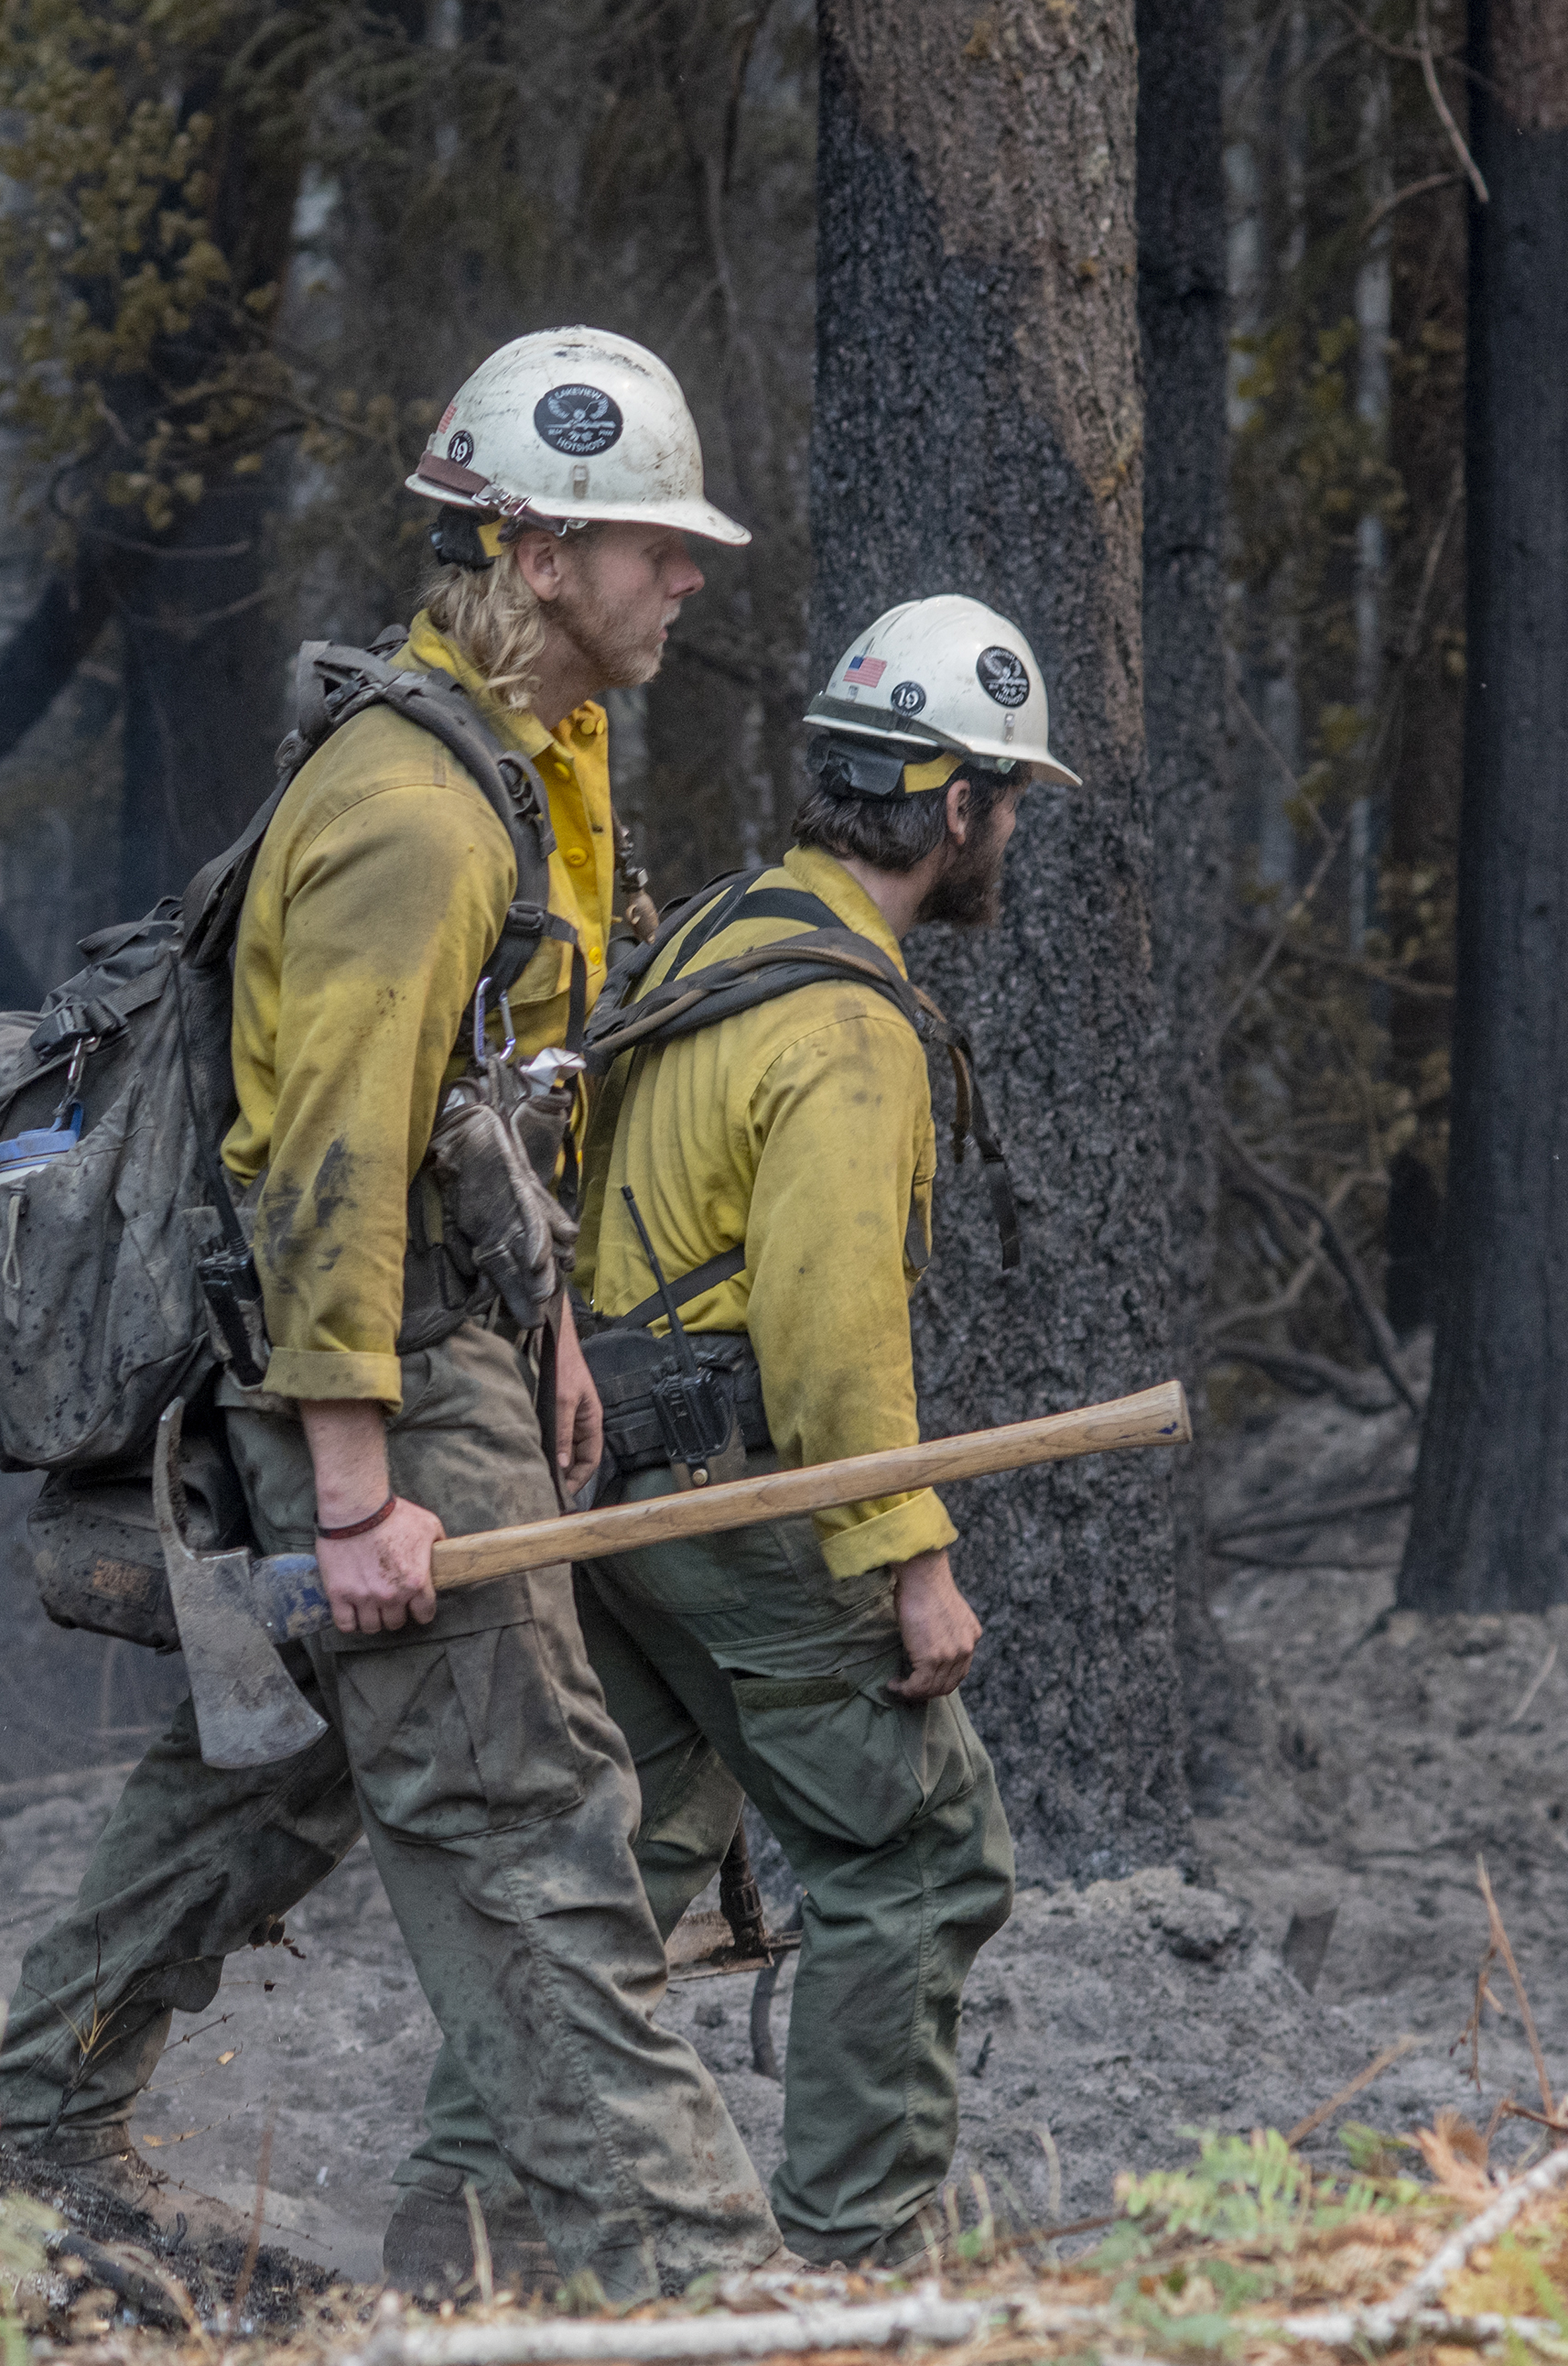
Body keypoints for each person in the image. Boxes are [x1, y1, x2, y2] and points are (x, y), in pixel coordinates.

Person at [0, 325, 781, 2305]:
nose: (685, 574)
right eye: (646, 540)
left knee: (281, 1774)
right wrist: (354, 1491)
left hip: (441, 1369)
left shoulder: (524, 774)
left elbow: (486, 1112)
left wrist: (556, 1333)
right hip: (380, 1396)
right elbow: (324, 1160)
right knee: (526, 1816)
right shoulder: (414, 815)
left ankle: (25, 2139)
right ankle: (691, 2282)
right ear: (528, 551)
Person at [386, 594, 1067, 2275]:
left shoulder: (710, 935)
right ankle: (857, 2254)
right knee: (919, 1850)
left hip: (611, 1486)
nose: (1010, 832)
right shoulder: (848, 1023)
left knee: (616, 1864)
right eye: (1008, 799)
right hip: (735, 1496)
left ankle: (466, 2234)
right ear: (957, 803)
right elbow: (833, 1333)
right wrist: (908, 1563)